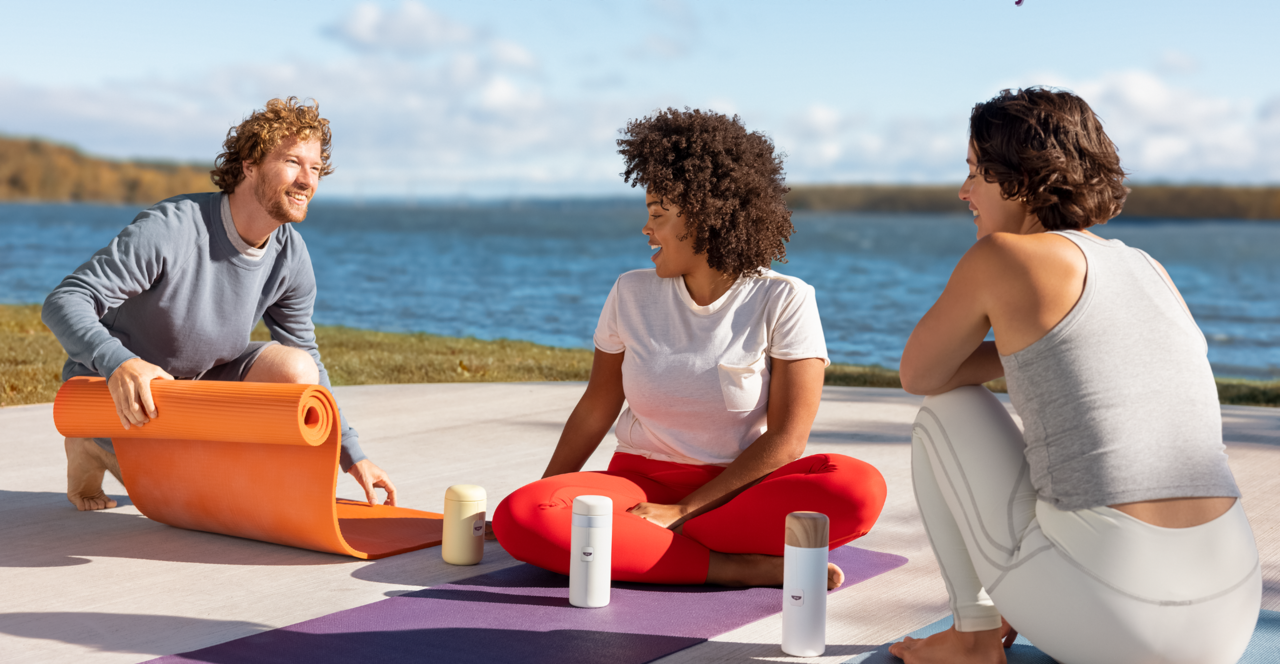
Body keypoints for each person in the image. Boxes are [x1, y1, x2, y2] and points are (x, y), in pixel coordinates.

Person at [890, 87, 1260, 664]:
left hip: (1119, 621)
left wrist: (1014, 352)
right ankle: (1029, 597)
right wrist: (1029, 350)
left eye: (974, 171)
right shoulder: (1147, 267)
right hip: (1230, 616)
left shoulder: (1003, 257)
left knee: (947, 411)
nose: (964, 192)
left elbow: (920, 374)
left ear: (1020, 175)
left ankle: (973, 638)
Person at [492, 108, 887, 587]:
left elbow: (787, 440)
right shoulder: (630, 292)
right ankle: (735, 566)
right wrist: (544, 489)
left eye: (657, 215)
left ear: (703, 217)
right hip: (639, 485)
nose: (646, 229)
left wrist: (682, 510)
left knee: (858, 487)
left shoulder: (784, 298)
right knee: (524, 513)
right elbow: (597, 406)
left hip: (739, 492)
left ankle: (656, 546)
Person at [45, 97, 397, 512]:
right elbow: (65, 299)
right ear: (249, 164)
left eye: (315, 168)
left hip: (194, 390)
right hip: (121, 392)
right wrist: (118, 362)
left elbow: (309, 357)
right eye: (292, 162)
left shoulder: (290, 255)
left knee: (297, 369)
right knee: (188, 502)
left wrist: (351, 453)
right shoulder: (172, 228)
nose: (308, 180)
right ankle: (94, 444)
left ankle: (192, 462)